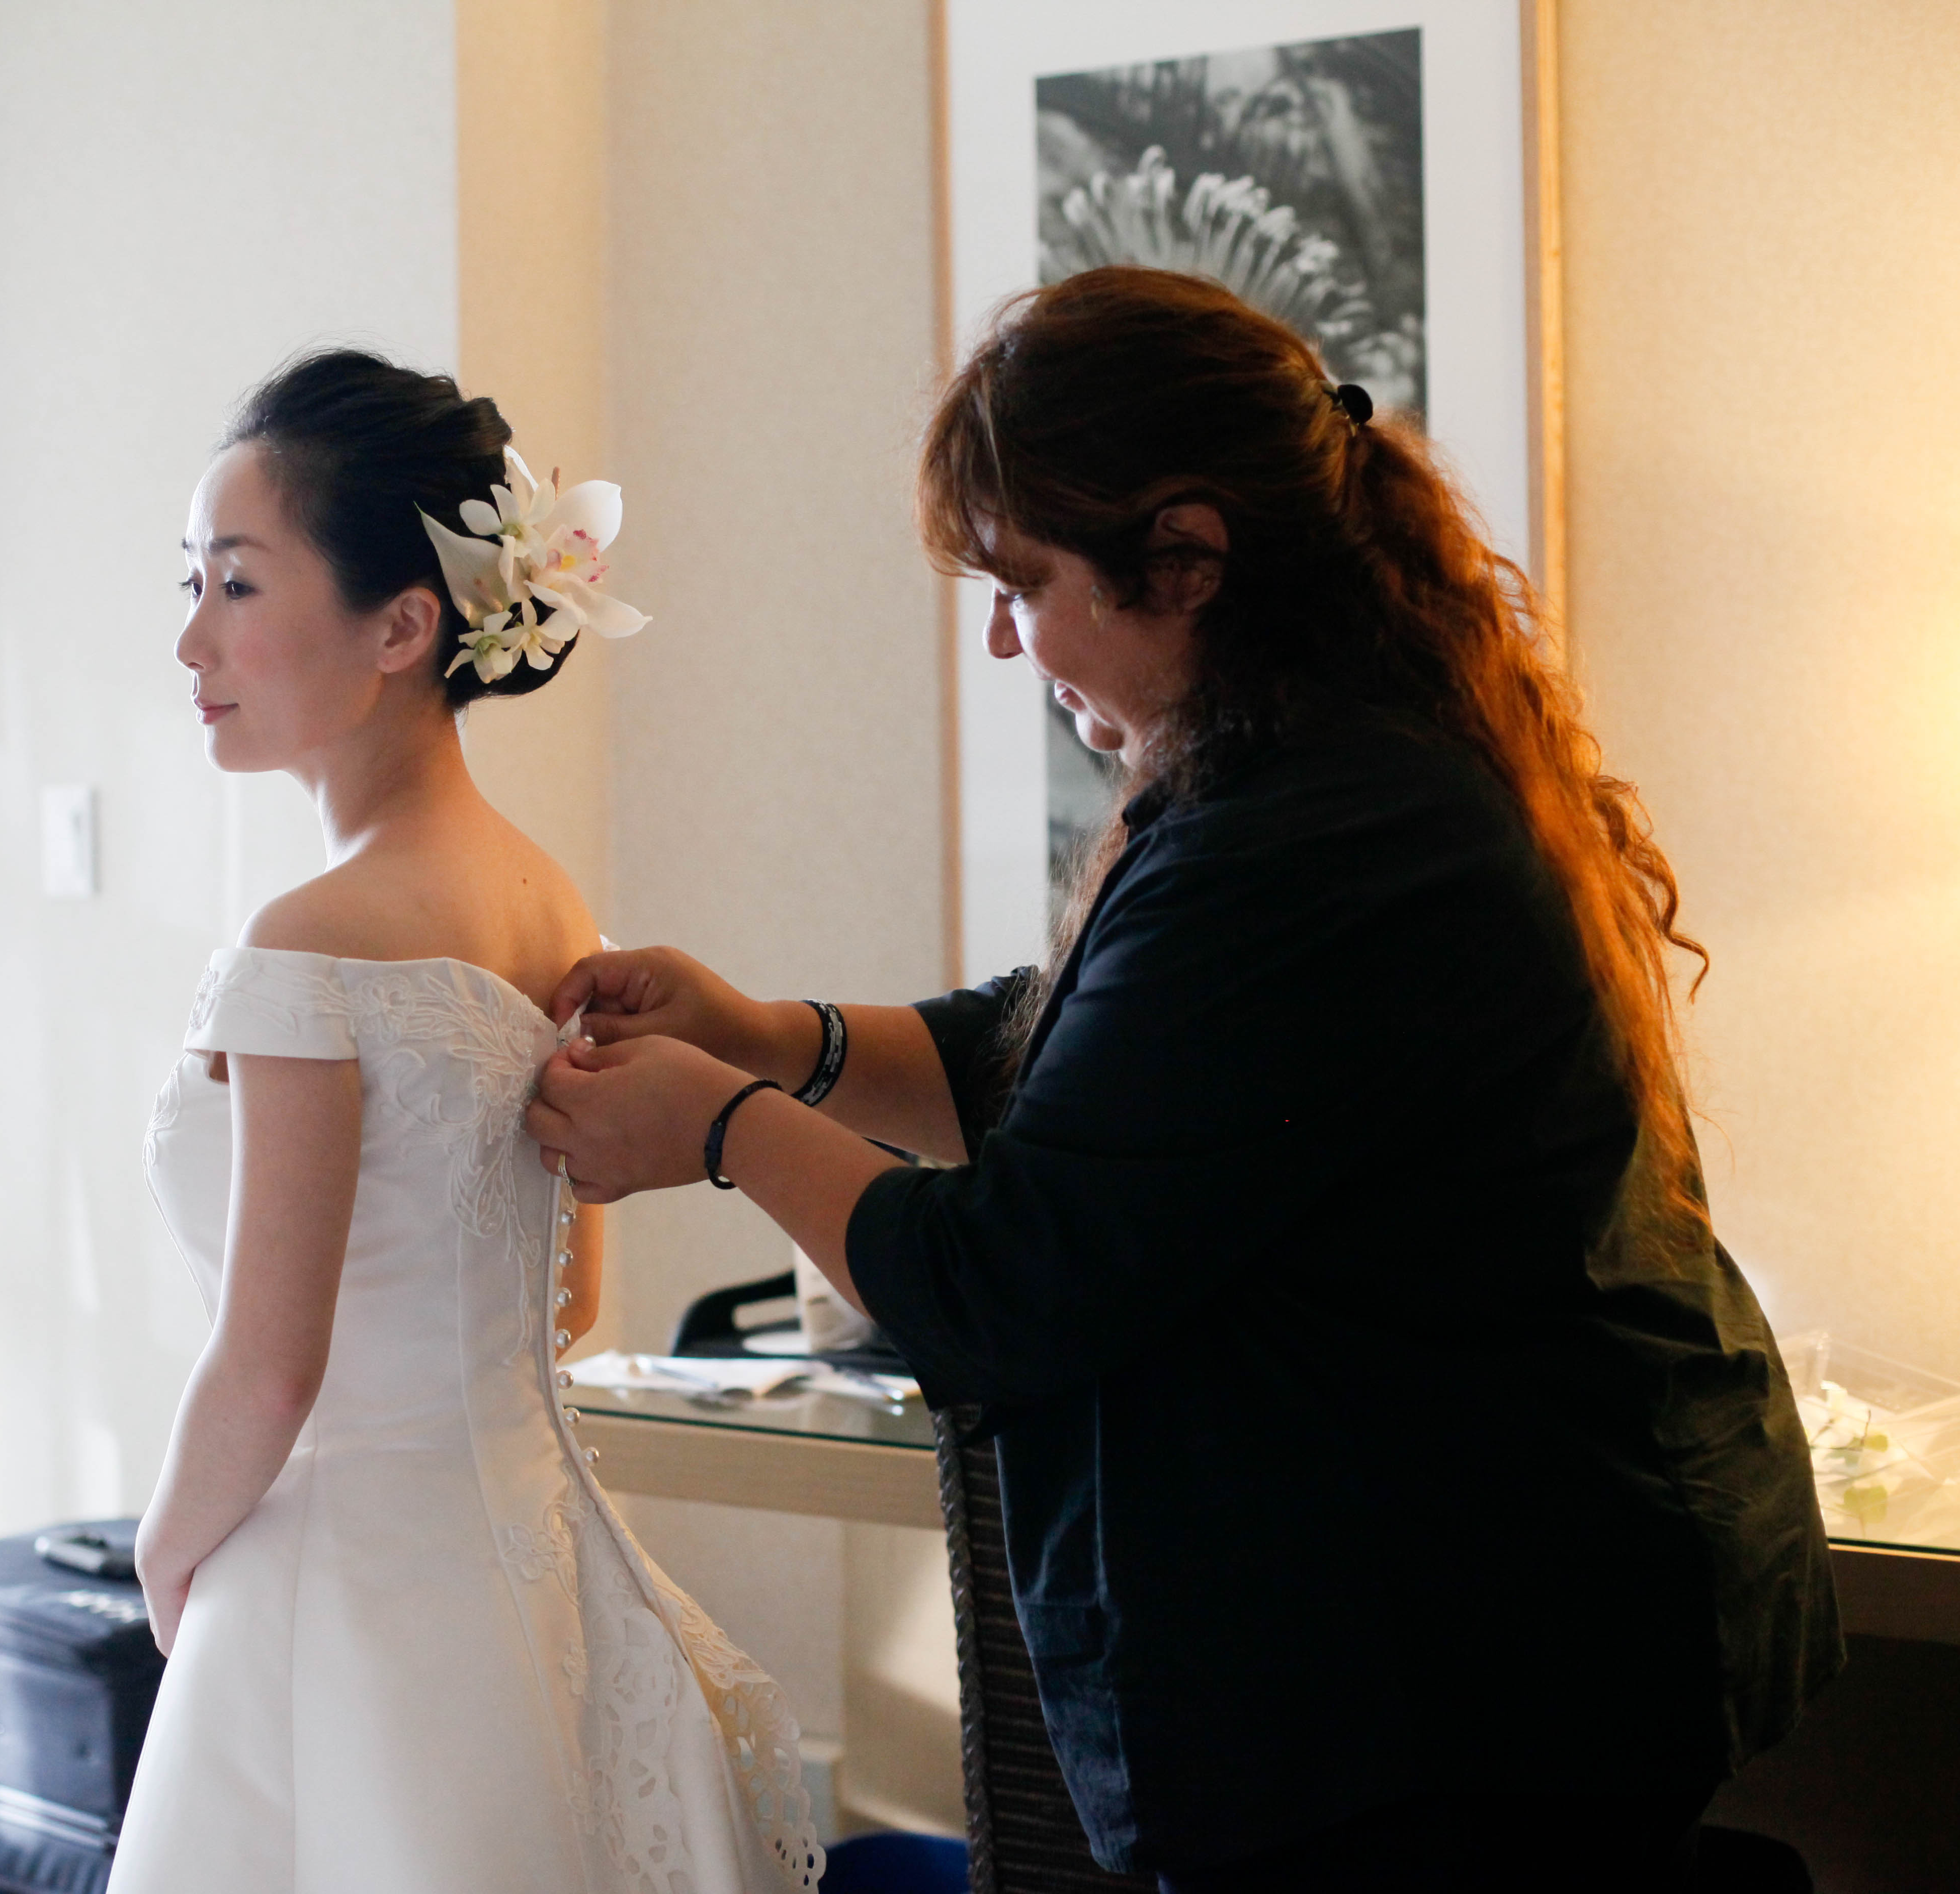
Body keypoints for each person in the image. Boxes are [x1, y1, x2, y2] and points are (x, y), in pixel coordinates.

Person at [526, 268, 1840, 1892]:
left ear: (1188, 558)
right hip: (1455, 1643)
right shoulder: (1300, 767)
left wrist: (726, 1129)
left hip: (1463, 1674)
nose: (1003, 639)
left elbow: (1014, 1279)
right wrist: (775, 1037)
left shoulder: (1320, 835)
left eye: (1024, 584)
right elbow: (1073, 1055)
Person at [112, 350, 822, 1894]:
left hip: (343, 1601)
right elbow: (565, 1302)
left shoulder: (308, 942)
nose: (192, 637)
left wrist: (164, 1558)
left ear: (403, 625)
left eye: (237, 583)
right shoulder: (548, 901)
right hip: (536, 1576)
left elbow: (268, 1364)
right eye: (191, 581)